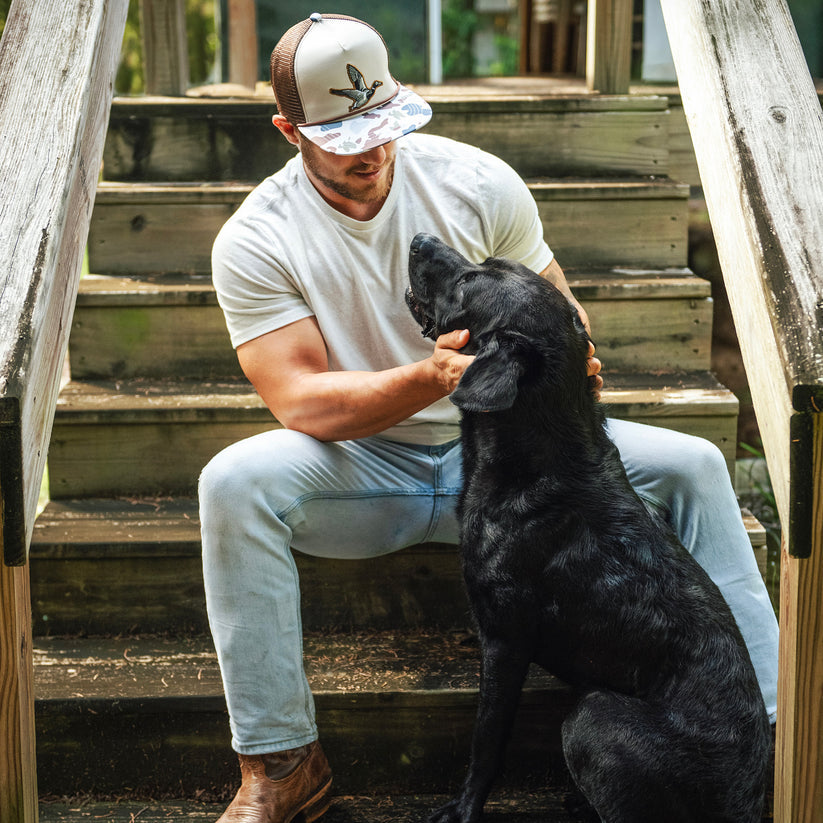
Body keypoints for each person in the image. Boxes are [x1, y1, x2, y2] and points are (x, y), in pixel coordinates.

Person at [199, 13, 779, 823]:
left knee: (694, 464)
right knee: (231, 482)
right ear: (288, 130)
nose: (371, 151)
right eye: (343, 136)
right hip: (374, 468)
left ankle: (767, 730)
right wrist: (435, 375)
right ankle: (281, 761)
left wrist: (574, 360)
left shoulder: (477, 179)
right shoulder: (256, 238)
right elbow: (300, 401)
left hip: (518, 461)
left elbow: (559, 313)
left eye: (383, 125)